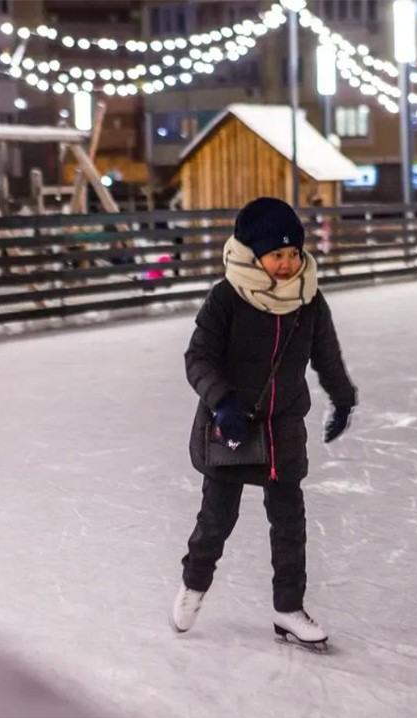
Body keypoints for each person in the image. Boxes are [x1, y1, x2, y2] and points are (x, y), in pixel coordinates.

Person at [170, 196, 357, 649]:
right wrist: (222, 403)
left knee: (290, 523)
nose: (288, 263)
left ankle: (288, 609)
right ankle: (194, 585)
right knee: (217, 519)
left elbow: (326, 354)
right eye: (277, 254)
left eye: (294, 253)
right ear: (253, 255)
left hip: (284, 425)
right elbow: (198, 358)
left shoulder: (308, 301)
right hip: (232, 425)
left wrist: (342, 396)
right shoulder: (226, 299)